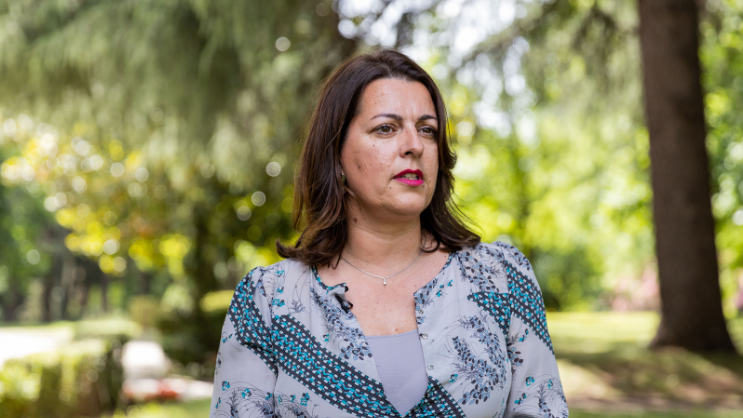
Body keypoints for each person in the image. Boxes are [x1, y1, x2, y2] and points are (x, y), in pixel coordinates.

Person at [211, 50, 568, 418]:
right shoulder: (269, 301)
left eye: (427, 130)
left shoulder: (501, 278)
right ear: (336, 154)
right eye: (386, 128)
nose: (415, 145)